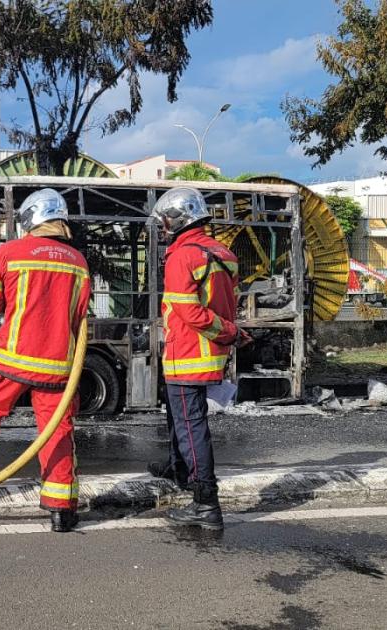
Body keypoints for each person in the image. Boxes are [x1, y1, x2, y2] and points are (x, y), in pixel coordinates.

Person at [0, 188, 91, 533]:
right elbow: (80, 313)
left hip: (11, 359)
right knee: (57, 432)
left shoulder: (11, 252)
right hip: (58, 368)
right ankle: (61, 509)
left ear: (30, 219)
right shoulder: (79, 262)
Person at [147, 187, 251, 531]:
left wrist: (228, 332)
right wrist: (230, 332)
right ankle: (179, 470)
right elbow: (225, 304)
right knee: (180, 419)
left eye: (164, 222)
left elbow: (190, 311)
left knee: (191, 427)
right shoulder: (222, 253)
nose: (163, 228)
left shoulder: (183, 256)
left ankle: (205, 502)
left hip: (187, 353)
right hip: (209, 353)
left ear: (178, 220)